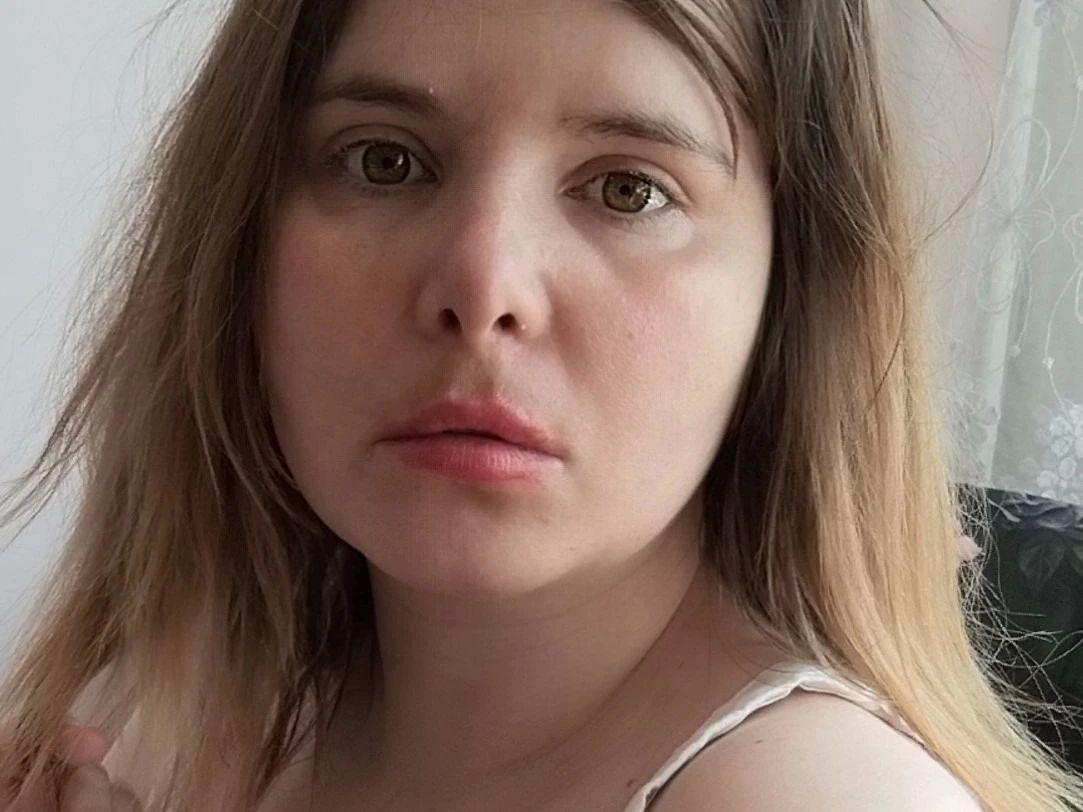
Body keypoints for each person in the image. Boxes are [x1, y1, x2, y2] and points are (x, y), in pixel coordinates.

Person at [1, 1, 1081, 810]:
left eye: (628, 188)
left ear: (789, 296)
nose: (483, 286)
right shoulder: (157, 735)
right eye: (384, 161)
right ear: (239, 244)